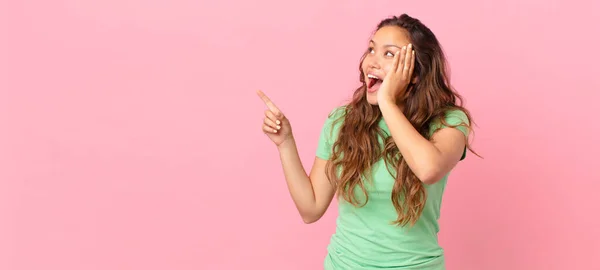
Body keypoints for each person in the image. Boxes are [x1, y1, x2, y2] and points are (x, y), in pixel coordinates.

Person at [257, 13, 476, 270]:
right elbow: (311, 209)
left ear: (415, 73)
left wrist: (387, 102)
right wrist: (285, 144)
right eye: (371, 49)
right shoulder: (342, 121)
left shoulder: (449, 121)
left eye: (389, 54)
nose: (372, 61)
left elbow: (429, 169)